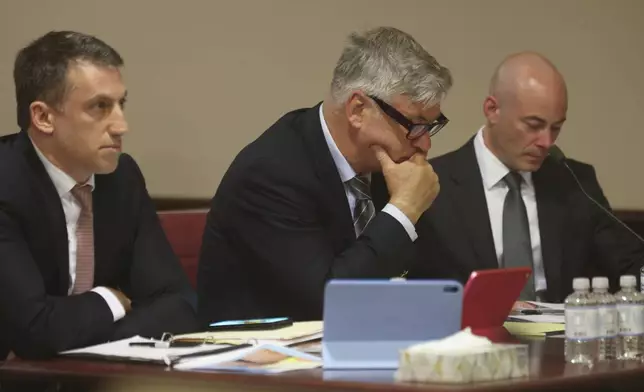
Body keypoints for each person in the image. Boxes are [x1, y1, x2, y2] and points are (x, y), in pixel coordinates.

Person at [197, 27, 452, 323]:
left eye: (431, 127)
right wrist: (403, 210)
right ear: (358, 109)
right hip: (253, 359)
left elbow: (430, 279)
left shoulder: (391, 168)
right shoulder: (271, 174)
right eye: (415, 125)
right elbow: (330, 301)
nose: (425, 143)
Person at [0, 31, 199, 360]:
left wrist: (82, 336)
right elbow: (33, 329)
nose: (122, 126)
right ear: (43, 117)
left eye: (121, 104)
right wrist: (110, 299)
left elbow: (179, 305)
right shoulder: (7, 184)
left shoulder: (121, 179)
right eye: (100, 107)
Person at [412, 52, 644, 302]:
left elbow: (628, 263)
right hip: (469, 336)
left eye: (556, 127)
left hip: (562, 337)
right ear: (492, 110)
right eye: (533, 125)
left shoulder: (575, 182)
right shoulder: (432, 184)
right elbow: (413, 288)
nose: (546, 142)